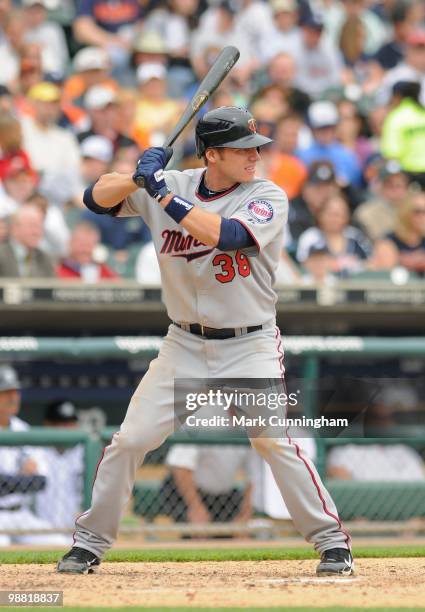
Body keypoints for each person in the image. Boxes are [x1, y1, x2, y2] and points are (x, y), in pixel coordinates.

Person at [56, 106, 353, 576]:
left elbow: (227, 235)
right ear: (212, 155)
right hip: (184, 345)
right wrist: (138, 177)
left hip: (249, 342)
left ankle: (332, 542)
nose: (255, 156)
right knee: (130, 440)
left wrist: (159, 191)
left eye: (257, 148)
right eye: (242, 149)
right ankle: (90, 543)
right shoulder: (170, 184)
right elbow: (94, 199)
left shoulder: (267, 195)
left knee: (273, 441)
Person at [0, 365, 67, 546]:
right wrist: (21, 479)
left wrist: (8, 481)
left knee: (59, 544)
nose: (13, 397)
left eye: (16, 391)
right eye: (6, 392)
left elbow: (40, 481)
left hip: (21, 514)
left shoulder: (23, 429)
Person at [158, 442, 255, 525]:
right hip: (187, 494)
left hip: (223, 498)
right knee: (195, 534)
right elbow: (180, 468)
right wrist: (195, 507)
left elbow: (254, 477)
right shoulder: (200, 423)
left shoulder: (250, 427)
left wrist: (245, 514)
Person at [34, 399, 84, 535]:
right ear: (47, 424)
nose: (63, 429)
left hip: (75, 531)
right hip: (37, 529)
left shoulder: (84, 454)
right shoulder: (34, 452)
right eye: (58, 423)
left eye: (68, 423)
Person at [0, 203, 56, 278]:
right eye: (32, 226)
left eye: (40, 227)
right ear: (14, 228)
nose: (37, 232)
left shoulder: (44, 259)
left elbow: (53, 287)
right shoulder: (2, 255)